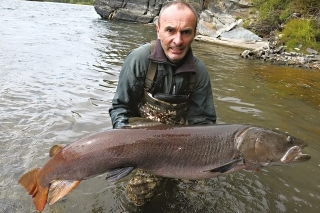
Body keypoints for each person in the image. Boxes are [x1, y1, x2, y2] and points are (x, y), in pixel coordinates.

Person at [109, 0, 217, 206]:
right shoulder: (140, 59)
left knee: (197, 196)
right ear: (158, 30)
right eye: (170, 30)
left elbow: (204, 123)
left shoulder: (199, 72)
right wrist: (129, 150)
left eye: (186, 32)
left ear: (195, 33)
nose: (178, 40)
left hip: (185, 147)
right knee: (137, 200)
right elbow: (120, 108)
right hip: (142, 145)